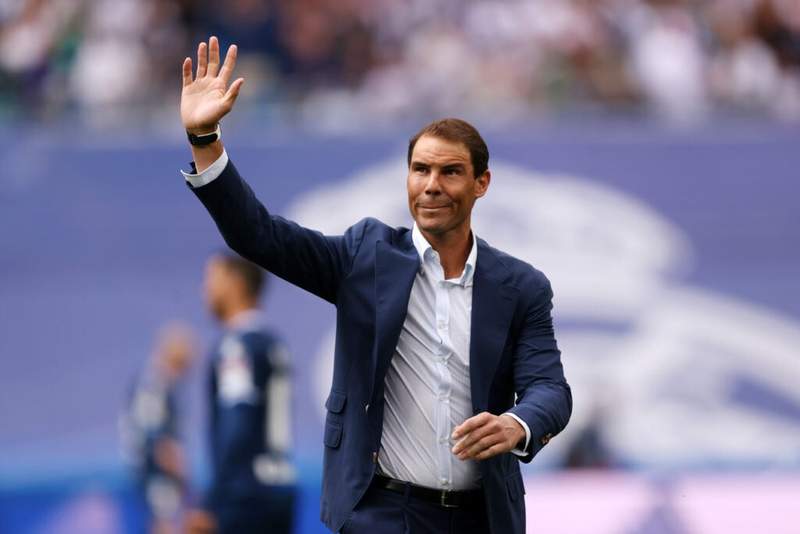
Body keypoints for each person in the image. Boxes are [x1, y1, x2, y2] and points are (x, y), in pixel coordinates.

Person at [178, 36, 572, 534]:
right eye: (420, 169)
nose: (431, 185)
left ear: (482, 183)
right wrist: (205, 137)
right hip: (383, 512)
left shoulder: (521, 286)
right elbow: (258, 234)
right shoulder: (366, 257)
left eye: (450, 172)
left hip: (481, 516)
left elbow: (550, 388)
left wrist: (516, 423)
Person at [185, 252, 296, 534]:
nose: (205, 289)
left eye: (211, 278)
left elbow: (238, 426)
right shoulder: (272, 342)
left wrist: (211, 502)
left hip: (244, 495)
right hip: (278, 487)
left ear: (235, 283)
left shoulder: (237, 346)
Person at [120, 323, 197, 534]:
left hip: (146, 473)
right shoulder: (158, 386)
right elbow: (159, 442)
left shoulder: (147, 382)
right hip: (157, 476)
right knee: (165, 525)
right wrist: (184, 479)